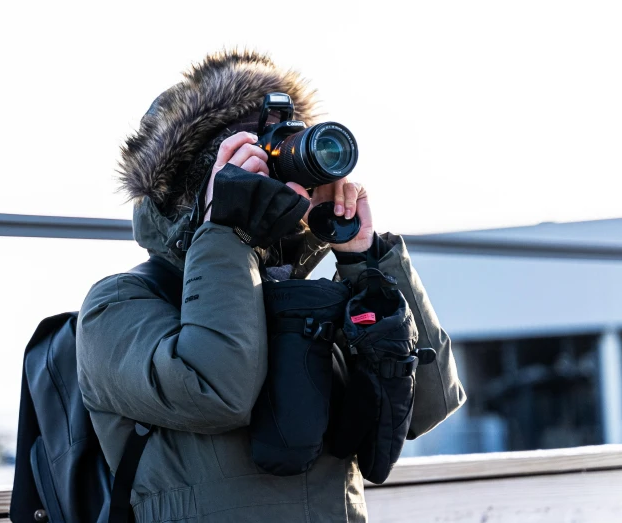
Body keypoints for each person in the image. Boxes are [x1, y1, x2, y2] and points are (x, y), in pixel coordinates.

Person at [76, 50, 465, 523]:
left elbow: (430, 404)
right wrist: (225, 229)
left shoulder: (311, 300)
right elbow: (218, 391)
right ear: (199, 185)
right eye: (262, 165)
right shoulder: (117, 306)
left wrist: (364, 260)